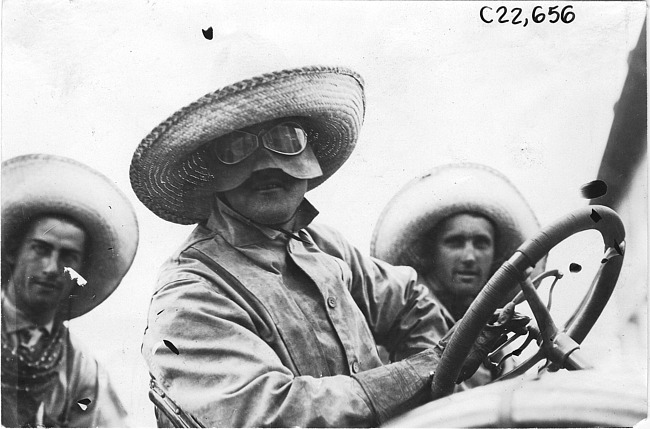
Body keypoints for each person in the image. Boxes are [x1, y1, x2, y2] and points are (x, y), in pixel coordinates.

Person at [130, 66, 528, 427]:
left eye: (287, 139)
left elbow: (410, 300)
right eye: (235, 149)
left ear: (310, 157)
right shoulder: (190, 295)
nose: (267, 164)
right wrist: (427, 369)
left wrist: (434, 397)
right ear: (210, 172)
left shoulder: (323, 245)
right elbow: (273, 415)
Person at [371, 163, 543, 387]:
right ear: (431, 253)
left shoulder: (499, 344)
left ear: (495, 255)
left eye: (481, 243)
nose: (470, 257)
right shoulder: (405, 323)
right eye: (455, 242)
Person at [1, 154, 139, 427]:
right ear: (13, 253)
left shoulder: (81, 366)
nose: (52, 268)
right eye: (40, 249)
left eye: (68, 257)